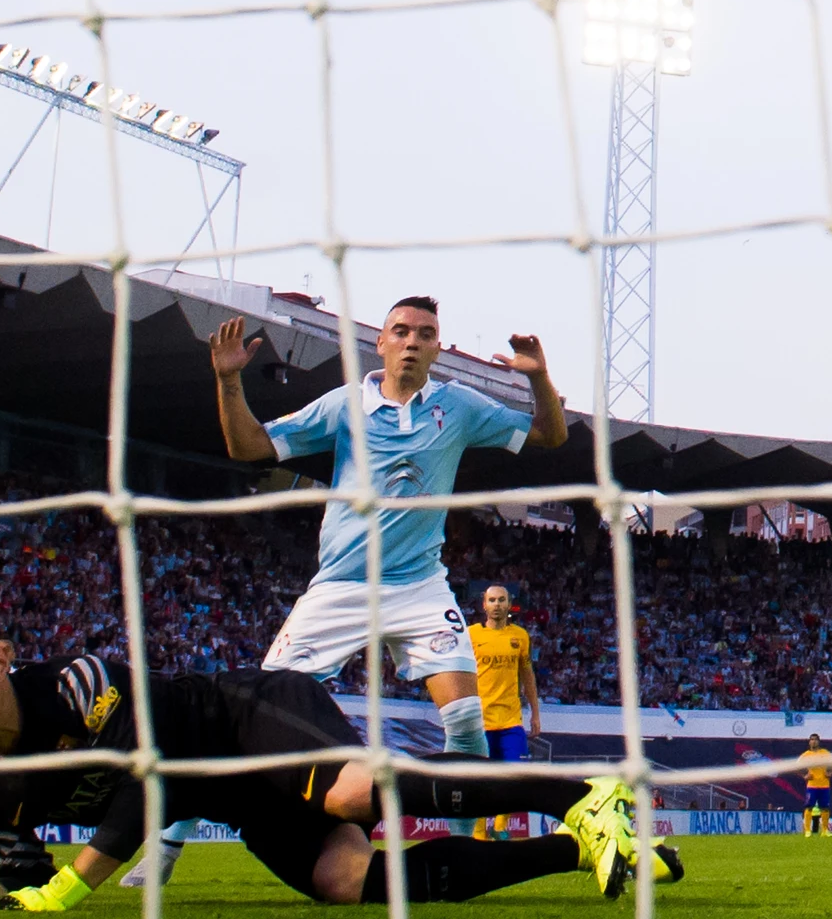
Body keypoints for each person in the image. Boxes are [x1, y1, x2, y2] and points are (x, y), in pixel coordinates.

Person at [133, 299, 565, 889]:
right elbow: (249, 448)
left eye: (427, 334)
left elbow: (549, 433)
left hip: (418, 586)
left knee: (465, 720)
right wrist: (229, 379)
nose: (413, 341)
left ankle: (467, 850)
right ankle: (163, 848)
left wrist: (539, 379)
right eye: (401, 331)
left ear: (439, 349)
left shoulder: (458, 406)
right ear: (381, 343)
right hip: (339, 589)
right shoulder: (345, 407)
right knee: (244, 720)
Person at [0, 606, 680, 912]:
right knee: (343, 882)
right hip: (235, 798)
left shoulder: (74, 684)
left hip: (244, 716)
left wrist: (69, 886)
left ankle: (581, 790)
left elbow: (150, 784)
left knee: (348, 795)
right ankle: (574, 847)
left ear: (1, 657)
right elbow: (26, 887)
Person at [467, 584, 541, 840]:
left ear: (509, 605)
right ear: (483, 605)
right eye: (492, 600)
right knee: (478, 780)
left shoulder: (520, 636)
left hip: (511, 721)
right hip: (480, 721)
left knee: (515, 775)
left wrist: (536, 713)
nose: (497, 604)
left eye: (502, 600)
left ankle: (500, 827)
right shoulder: (471, 635)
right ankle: (478, 833)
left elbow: (527, 675)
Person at [798, 734, 832, 837]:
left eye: (815, 740)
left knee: (825, 808)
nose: (814, 742)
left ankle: (825, 831)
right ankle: (807, 831)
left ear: (819, 742)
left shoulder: (825, 753)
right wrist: (804, 776)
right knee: (809, 807)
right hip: (812, 785)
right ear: (809, 742)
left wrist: (830, 773)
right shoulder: (806, 755)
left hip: (824, 785)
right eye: (812, 740)